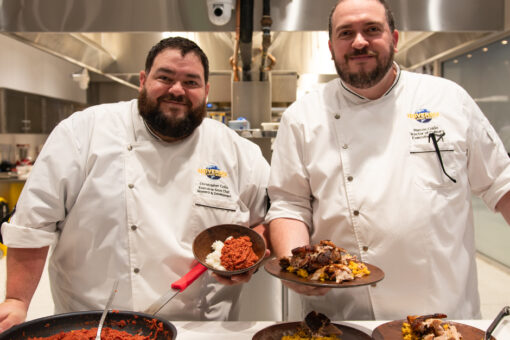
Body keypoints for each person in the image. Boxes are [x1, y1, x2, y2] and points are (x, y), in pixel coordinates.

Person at [0, 36, 270, 332]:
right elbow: (33, 225)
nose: (177, 90)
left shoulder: (237, 152)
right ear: (143, 80)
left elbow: (270, 219)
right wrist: (16, 300)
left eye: (191, 82)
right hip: (92, 325)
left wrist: (250, 255)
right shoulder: (82, 132)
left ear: (206, 90)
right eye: (164, 77)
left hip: (201, 328)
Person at [266, 0, 510, 321]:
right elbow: (289, 206)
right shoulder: (302, 117)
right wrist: (295, 266)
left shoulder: (448, 99)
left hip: (442, 309)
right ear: (331, 47)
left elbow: (501, 187)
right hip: (343, 314)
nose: (359, 42)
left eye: (372, 29)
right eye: (345, 33)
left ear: (394, 39)